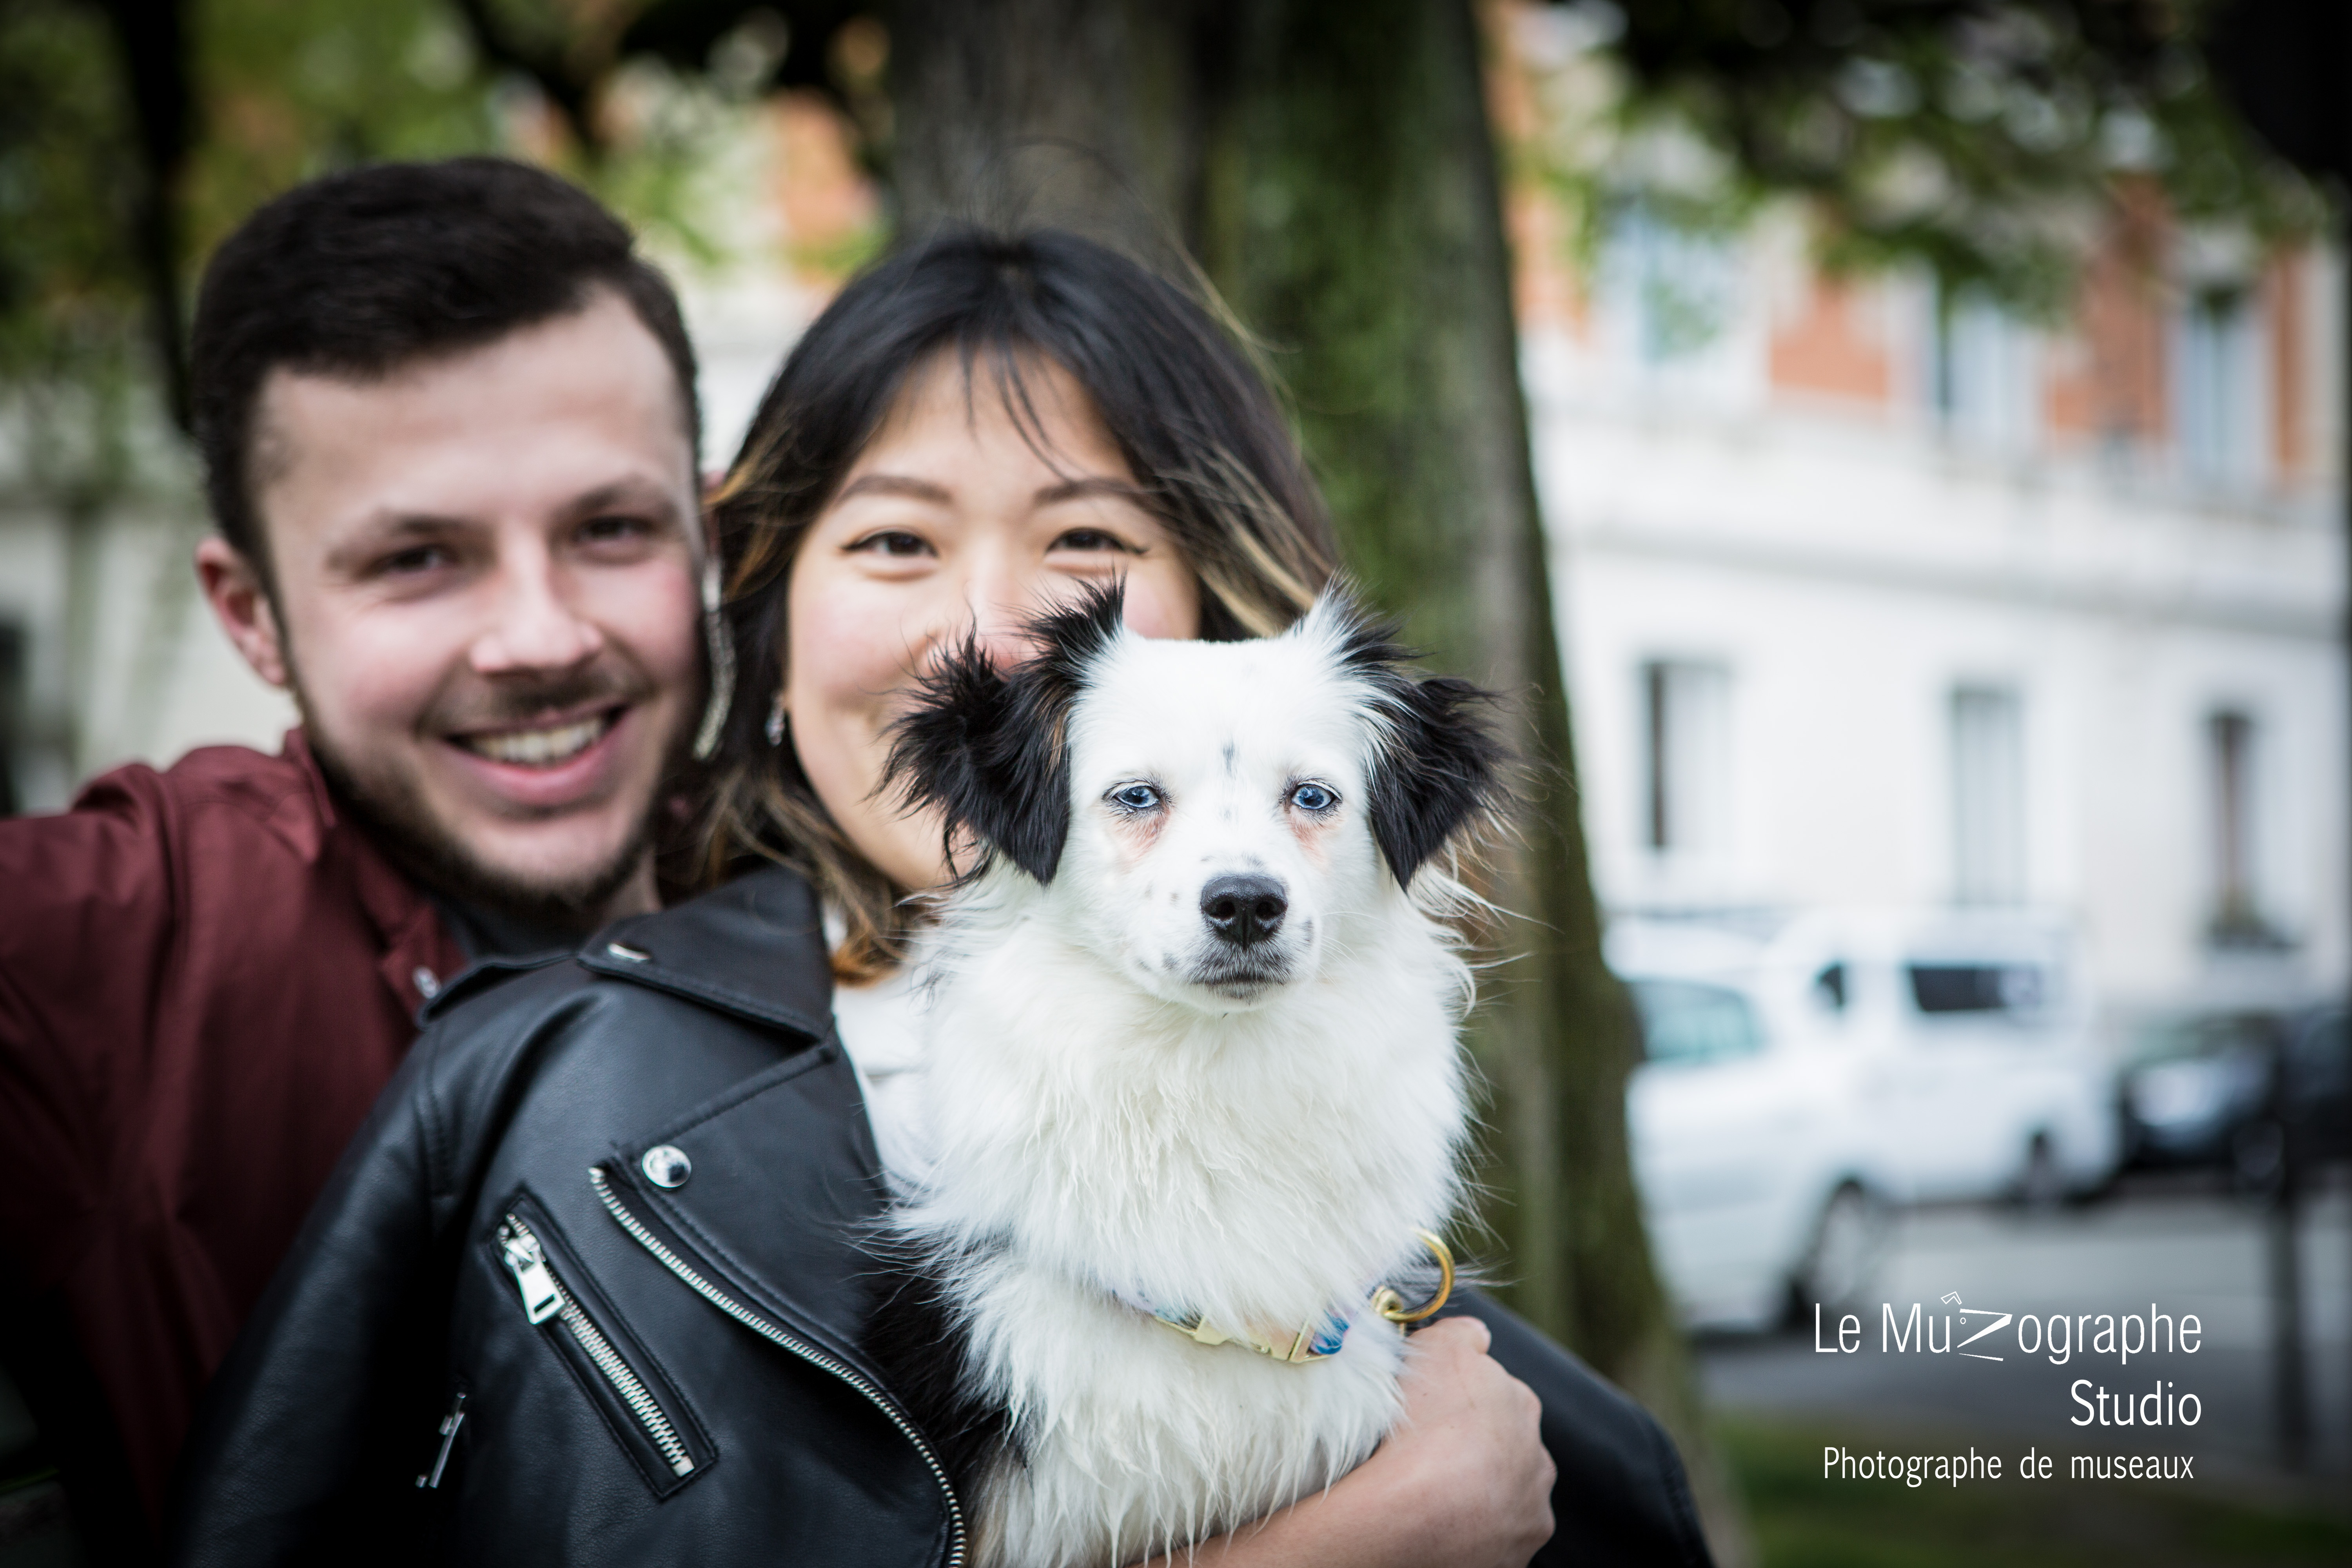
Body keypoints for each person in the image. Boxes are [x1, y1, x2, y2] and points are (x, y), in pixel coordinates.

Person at [169, 232, 1713, 1567]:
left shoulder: (1372, 1124)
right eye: (897, 539)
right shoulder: (541, 1075)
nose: (983, 631)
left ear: (1218, 617)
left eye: (1090, 543)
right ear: (763, 608)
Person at [0, 157, 717, 1546]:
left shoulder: (860, 894)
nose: (543, 636)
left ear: (705, 523)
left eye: (611, 529)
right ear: (251, 612)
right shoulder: (127, 953)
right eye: (417, 560)